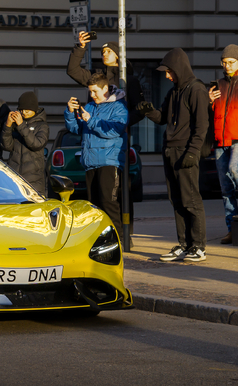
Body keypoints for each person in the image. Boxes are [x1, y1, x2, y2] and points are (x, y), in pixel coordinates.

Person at [67, 33, 145, 243]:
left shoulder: (128, 79)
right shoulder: (96, 76)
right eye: (101, 51)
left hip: (115, 143)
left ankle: (122, 237)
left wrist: (124, 124)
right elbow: (73, 71)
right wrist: (80, 47)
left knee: (118, 196)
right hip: (94, 149)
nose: (104, 54)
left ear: (119, 55)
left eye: (108, 50)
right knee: (97, 202)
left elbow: (137, 109)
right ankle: (106, 240)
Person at [137, 48, 209, 262]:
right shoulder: (173, 91)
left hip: (185, 151)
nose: (167, 76)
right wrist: (148, 111)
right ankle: (184, 244)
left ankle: (199, 246)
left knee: (191, 200)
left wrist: (192, 152)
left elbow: (201, 127)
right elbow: (162, 118)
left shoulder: (196, 90)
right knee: (176, 200)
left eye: (169, 71)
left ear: (179, 68)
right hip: (169, 150)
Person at [65, 73, 128, 243]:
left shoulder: (119, 107)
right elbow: (77, 129)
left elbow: (114, 130)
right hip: (91, 162)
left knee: (109, 203)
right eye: (90, 92)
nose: (92, 95)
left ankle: (118, 241)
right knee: (95, 206)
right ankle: (102, 240)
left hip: (109, 161)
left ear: (105, 89)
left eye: (94, 91)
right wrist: (71, 113)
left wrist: (91, 120)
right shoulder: (91, 107)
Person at [208, 44, 238, 245]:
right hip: (220, 140)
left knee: (235, 170)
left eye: (230, 62)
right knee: (224, 187)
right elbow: (210, 112)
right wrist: (209, 100)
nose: (227, 66)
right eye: (224, 62)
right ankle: (232, 229)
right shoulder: (218, 84)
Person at [1, 91, 50, 195]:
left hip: (34, 179)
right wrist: (8, 126)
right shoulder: (16, 124)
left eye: (27, 110)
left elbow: (37, 144)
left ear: (34, 109)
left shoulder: (42, 126)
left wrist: (21, 125)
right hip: (14, 177)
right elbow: (7, 146)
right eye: (21, 110)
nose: (24, 113)